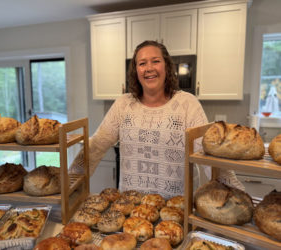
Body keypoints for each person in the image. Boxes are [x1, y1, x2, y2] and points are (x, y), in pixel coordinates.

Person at [69, 40, 244, 199]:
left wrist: (239, 194)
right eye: (142, 63)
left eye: (155, 61)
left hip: (176, 208)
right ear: (136, 70)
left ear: (167, 66)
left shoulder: (187, 104)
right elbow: (97, 146)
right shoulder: (123, 105)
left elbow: (208, 155)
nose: (149, 68)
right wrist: (69, 180)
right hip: (131, 207)